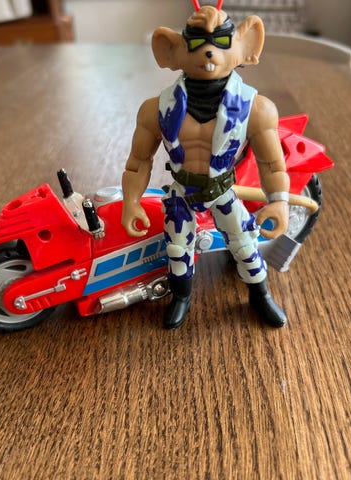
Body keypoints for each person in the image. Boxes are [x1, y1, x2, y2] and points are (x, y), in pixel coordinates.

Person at [121, 5, 289, 329]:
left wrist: (279, 200)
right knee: (176, 249)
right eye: (196, 43)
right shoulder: (156, 109)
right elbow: (139, 162)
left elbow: (271, 163)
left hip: (222, 190)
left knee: (245, 244)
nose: (209, 52)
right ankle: (181, 297)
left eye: (221, 41)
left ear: (248, 46)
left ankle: (260, 295)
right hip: (182, 192)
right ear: (170, 50)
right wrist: (131, 201)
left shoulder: (255, 108)